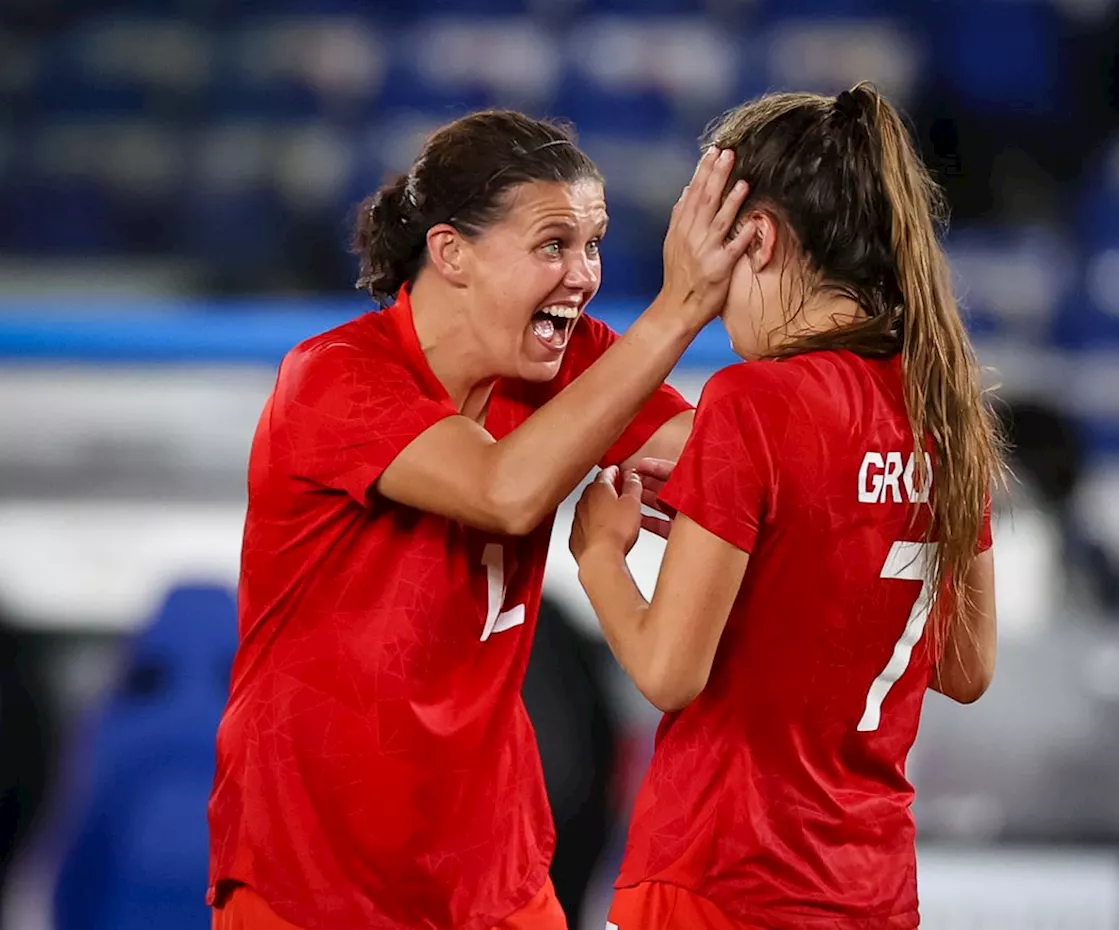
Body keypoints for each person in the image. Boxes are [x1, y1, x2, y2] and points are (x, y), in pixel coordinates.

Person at [207, 110, 755, 930]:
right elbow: (505, 489)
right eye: (553, 245)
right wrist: (677, 312)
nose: (583, 275)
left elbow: (728, 465)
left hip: (491, 874)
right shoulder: (333, 379)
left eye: (594, 244)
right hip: (315, 879)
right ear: (450, 252)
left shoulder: (569, 365)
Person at [569, 83, 1005, 930]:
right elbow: (966, 666)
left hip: (719, 879)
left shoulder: (752, 401)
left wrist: (598, 557)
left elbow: (667, 670)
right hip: (870, 893)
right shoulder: (941, 409)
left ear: (757, 239)